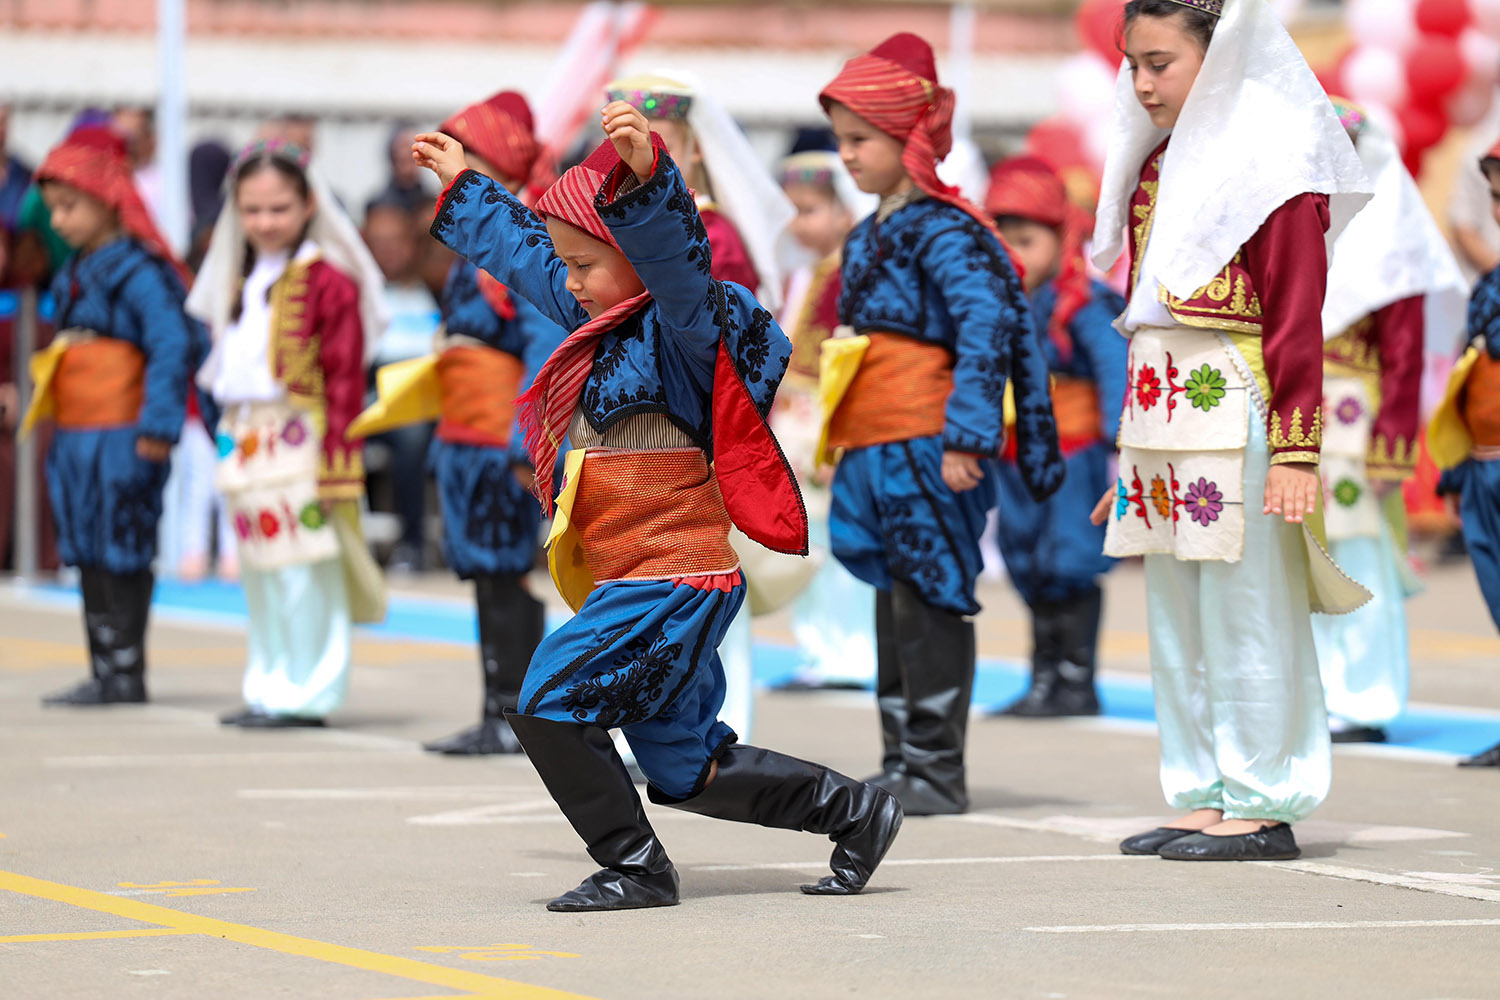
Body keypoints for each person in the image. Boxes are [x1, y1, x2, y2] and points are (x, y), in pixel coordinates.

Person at [413, 101, 901, 911]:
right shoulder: (601, 319)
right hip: (640, 577)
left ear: (636, 254)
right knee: (685, 768)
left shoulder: (684, 331)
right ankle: (856, 811)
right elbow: (530, 255)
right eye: (567, 267)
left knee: (545, 701)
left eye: (585, 264)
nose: (566, 281)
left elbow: (676, 265)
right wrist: (470, 185)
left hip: (670, 580)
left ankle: (636, 867)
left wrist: (649, 181)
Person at [1091, 0, 1371, 861]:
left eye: (1160, 63)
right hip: (1163, 409)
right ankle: (1205, 788)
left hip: (1239, 405)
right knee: (1176, 614)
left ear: (1220, 58)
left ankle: (1264, 795)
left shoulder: (1276, 165)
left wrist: (1294, 450)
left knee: (1249, 609)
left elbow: (1295, 316)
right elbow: (1148, 316)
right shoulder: (1162, 162)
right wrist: (1129, 454)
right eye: (1132, 62)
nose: (1140, 83)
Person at [818, 33, 1063, 816]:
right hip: (876, 437)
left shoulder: (948, 229)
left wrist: (967, 435)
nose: (847, 156)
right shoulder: (868, 233)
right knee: (894, 590)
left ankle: (935, 767)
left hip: (928, 437)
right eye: (841, 140)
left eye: (861, 140)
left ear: (909, 138)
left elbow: (986, 324)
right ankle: (900, 758)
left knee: (929, 588)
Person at [356, 91, 566, 755]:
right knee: (482, 573)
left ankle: (519, 718)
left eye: (464, 158)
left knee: (506, 575)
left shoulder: (524, 248)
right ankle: (495, 712)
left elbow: (543, 349)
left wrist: (523, 442)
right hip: (465, 435)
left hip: (499, 440)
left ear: (498, 166)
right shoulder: (473, 251)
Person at [605, 71, 797, 746]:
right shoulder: (613, 230)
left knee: (707, 576)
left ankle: (720, 719)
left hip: (700, 426)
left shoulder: (717, 235)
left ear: (687, 150)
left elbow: (735, 345)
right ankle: (652, 724)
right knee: (644, 580)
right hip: (633, 432)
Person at [189, 139, 387, 728]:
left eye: (278, 208)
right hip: (247, 438)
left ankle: (309, 689)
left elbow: (346, 376)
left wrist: (339, 458)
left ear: (307, 205)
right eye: (252, 210)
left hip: (301, 436)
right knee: (261, 569)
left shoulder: (329, 281)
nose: (265, 222)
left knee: (305, 568)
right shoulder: (241, 278)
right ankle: (270, 682)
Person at [26, 125, 206, 705]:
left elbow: (172, 344)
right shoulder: (81, 267)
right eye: (53, 209)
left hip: (125, 432)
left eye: (69, 206)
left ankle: (125, 670)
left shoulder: (140, 271)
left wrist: (159, 423)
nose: (58, 221)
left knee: (122, 540)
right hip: (79, 433)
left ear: (108, 199)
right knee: (86, 542)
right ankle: (105, 669)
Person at [1313, 98, 1468, 744]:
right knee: (1304, 556)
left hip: (1353, 422)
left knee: (1359, 556)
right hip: (1295, 412)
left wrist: (1391, 448)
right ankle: (1318, 688)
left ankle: (1366, 695)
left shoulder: (1390, 245)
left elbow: (1404, 357)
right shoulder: (1298, 226)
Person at [986, 155, 1128, 718]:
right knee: (1025, 559)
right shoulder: (998, 304)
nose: (1013, 255)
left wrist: (1124, 440)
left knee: (1068, 560)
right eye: (1003, 242)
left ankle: (1075, 680)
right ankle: (1044, 676)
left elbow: (1115, 368)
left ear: (1061, 237)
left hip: (1071, 457)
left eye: (1026, 241)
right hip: (1016, 455)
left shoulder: (1086, 304)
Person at [770, 149, 877, 691]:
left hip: (828, 423)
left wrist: (843, 432)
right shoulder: (803, 274)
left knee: (838, 540)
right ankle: (819, 648)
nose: (797, 221)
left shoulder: (853, 277)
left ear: (843, 210)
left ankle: (852, 652)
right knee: (803, 539)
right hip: (793, 421)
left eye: (809, 209)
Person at [1430, 137, 1500, 769]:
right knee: (1497, 592)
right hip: (1483, 465)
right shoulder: (1488, 290)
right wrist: (1454, 470)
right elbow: (1466, 376)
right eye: (1498, 200)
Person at [363, 194, 440, 572]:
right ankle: (398, 546)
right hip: (375, 401)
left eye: (396, 241)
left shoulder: (435, 289)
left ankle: (421, 545)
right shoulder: (360, 295)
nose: (388, 251)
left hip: (430, 401)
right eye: (377, 243)